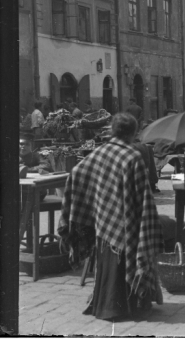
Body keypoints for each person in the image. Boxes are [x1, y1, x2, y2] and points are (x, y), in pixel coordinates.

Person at [58, 113, 163, 320]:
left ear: (113, 131)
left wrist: (88, 204)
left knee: (106, 265)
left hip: (104, 223)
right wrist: (149, 221)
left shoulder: (99, 152)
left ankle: (105, 307)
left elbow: (76, 172)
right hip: (127, 223)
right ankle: (128, 307)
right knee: (128, 257)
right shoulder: (133, 156)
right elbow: (144, 196)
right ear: (133, 132)